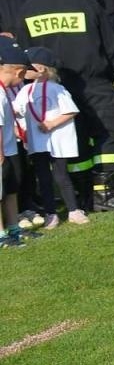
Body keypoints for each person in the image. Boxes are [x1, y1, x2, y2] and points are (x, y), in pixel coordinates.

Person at [10, 0, 114, 212]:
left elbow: (23, 54)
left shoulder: (28, 10)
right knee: (108, 131)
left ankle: (83, 190)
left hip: (50, 88)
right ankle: (104, 189)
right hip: (92, 81)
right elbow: (112, 46)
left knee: (70, 140)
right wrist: (106, 75)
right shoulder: (86, 3)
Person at [15, 45, 87, 226]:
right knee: (44, 177)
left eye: (27, 68)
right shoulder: (26, 91)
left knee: (61, 175)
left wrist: (52, 124)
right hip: (38, 142)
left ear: (40, 69)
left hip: (57, 141)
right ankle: (50, 213)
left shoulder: (57, 89)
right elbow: (17, 110)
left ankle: (73, 210)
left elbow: (71, 111)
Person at [0, 38, 28, 248]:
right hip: (2, 153)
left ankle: (14, 228)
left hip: (9, 149)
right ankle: (2, 235)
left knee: (11, 189)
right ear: (18, 72)